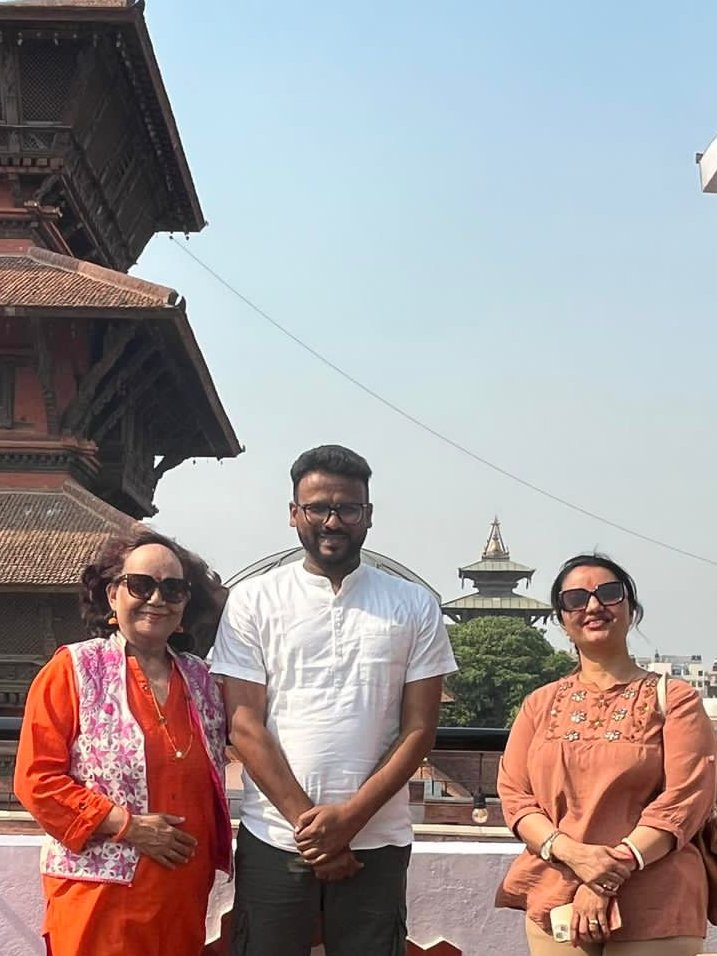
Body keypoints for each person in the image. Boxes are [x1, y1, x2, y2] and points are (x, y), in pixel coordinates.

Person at [210, 444, 457, 956]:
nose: (332, 521)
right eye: (318, 507)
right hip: (277, 836)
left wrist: (349, 820)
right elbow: (245, 725)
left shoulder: (413, 604)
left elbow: (419, 731)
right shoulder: (253, 600)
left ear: (367, 516)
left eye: (348, 508)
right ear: (294, 514)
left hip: (377, 839)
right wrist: (316, 832)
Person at [14, 529, 233, 956]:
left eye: (173, 589)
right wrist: (126, 825)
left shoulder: (203, 680)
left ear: (186, 605)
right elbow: (36, 780)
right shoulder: (72, 671)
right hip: (99, 893)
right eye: (141, 585)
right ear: (113, 596)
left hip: (180, 890)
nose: (157, 599)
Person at [496, 553, 717, 956]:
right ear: (562, 620)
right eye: (576, 599)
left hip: (656, 893)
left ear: (631, 608)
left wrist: (606, 875)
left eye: (609, 594)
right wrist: (574, 855)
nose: (594, 606)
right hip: (558, 886)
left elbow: (686, 800)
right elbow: (515, 797)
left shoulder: (675, 699)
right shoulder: (539, 704)